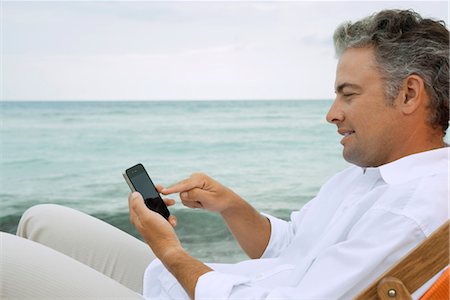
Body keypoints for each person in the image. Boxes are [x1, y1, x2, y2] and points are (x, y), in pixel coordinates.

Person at [1, 8, 448, 300]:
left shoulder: (415, 210)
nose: (332, 114)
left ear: (409, 93)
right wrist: (231, 205)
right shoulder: (371, 175)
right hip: (206, 286)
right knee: (41, 219)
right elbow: (294, 247)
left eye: (347, 95)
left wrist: (172, 254)